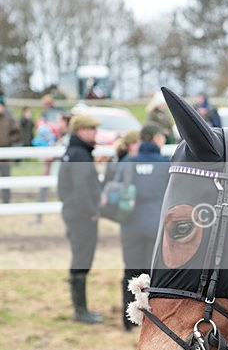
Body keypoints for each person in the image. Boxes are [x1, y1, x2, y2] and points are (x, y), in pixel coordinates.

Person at [115, 125, 170, 331]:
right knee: (155, 274)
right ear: (156, 138)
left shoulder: (127, 163)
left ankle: (128, 319)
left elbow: (115, 188)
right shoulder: (166, 164)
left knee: (131, 271)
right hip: (156, 226)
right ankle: (152, 320)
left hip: (130, 225)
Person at [57, 115, 104, 324]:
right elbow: (82, 187)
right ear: (81, 130)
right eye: (91, 129)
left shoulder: (75, 152)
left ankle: (80, 307)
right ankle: (80, 310)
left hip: (75, 213)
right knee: (82, 258)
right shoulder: (80, 154)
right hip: (82, 215)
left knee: (80, 256)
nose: (95, 132)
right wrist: (92, 210)